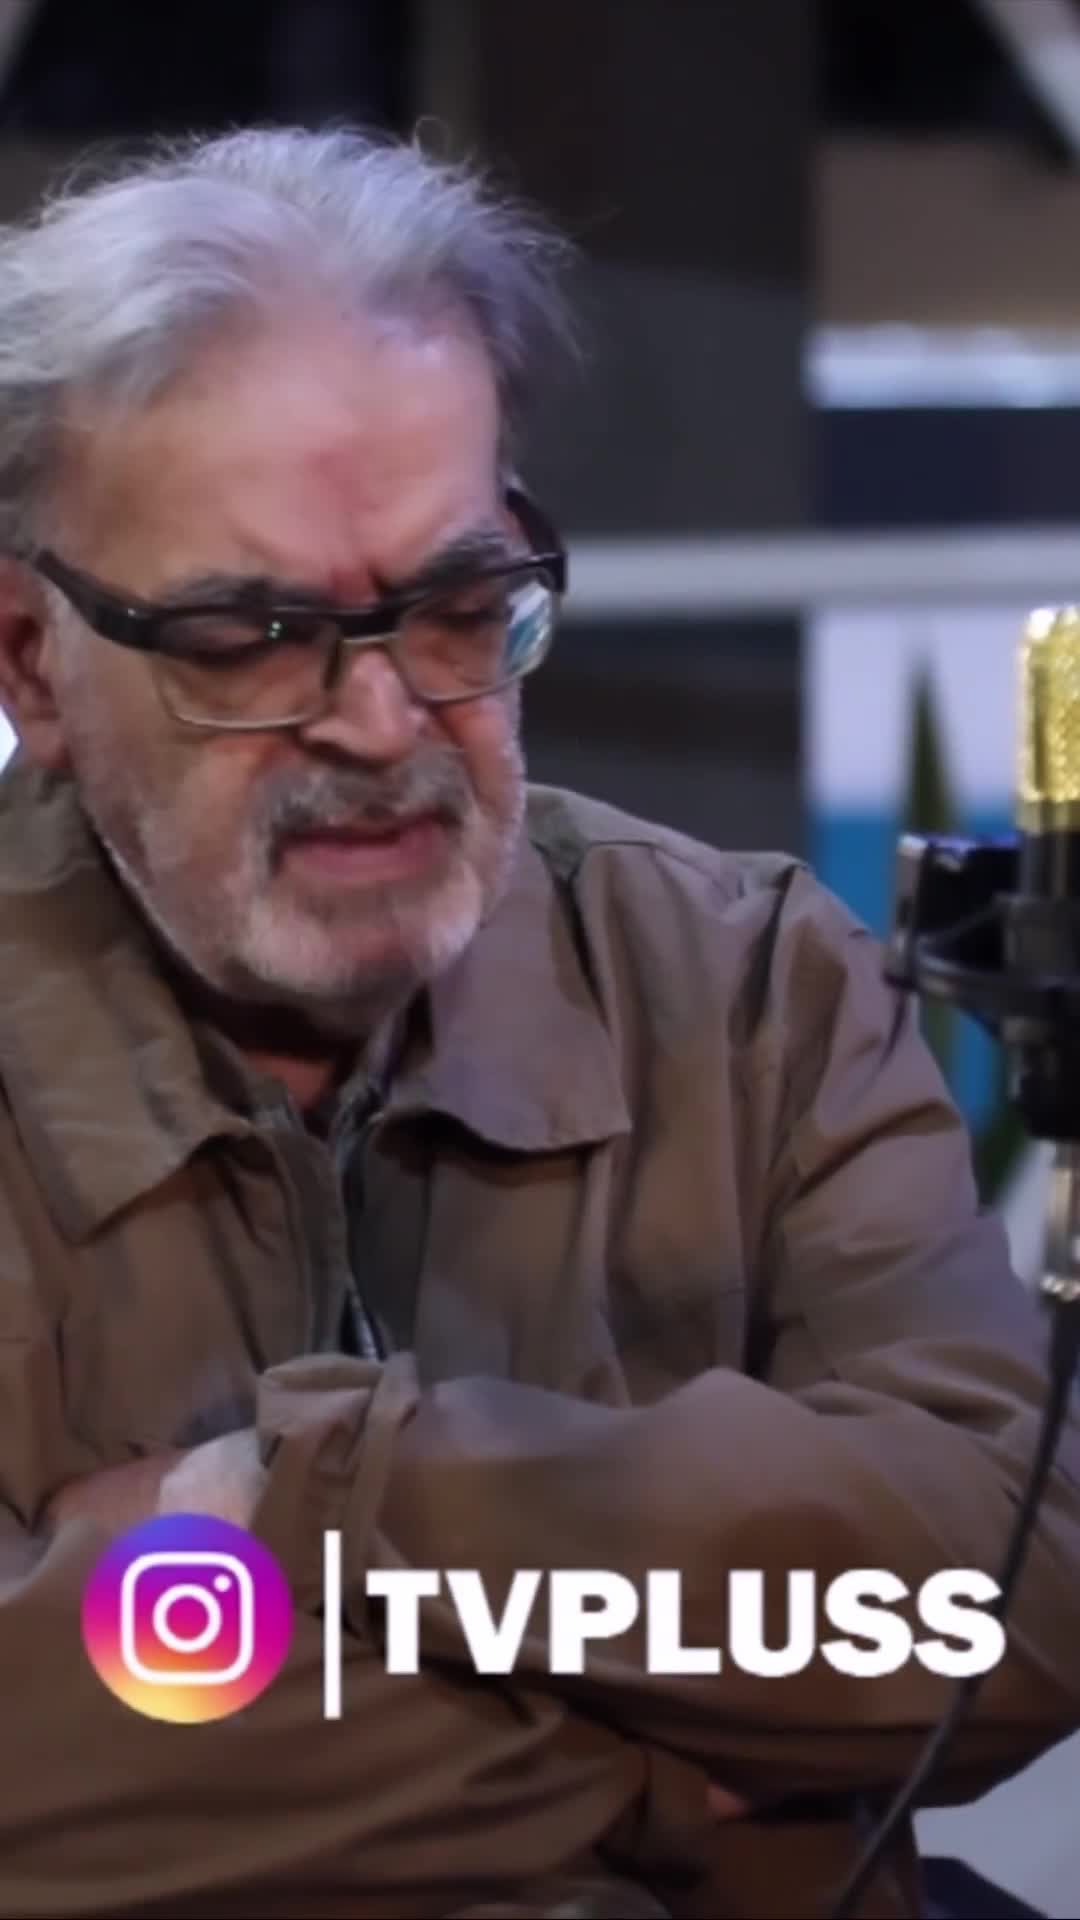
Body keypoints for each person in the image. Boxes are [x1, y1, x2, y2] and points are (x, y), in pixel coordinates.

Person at [0, 124, 1076, 1920]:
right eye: (248, 636)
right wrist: (685, 1778)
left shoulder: (750, 988)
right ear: (31, 660)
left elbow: (1001, 1606)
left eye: (457, 608)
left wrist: (327, 1491)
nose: (378, 723)